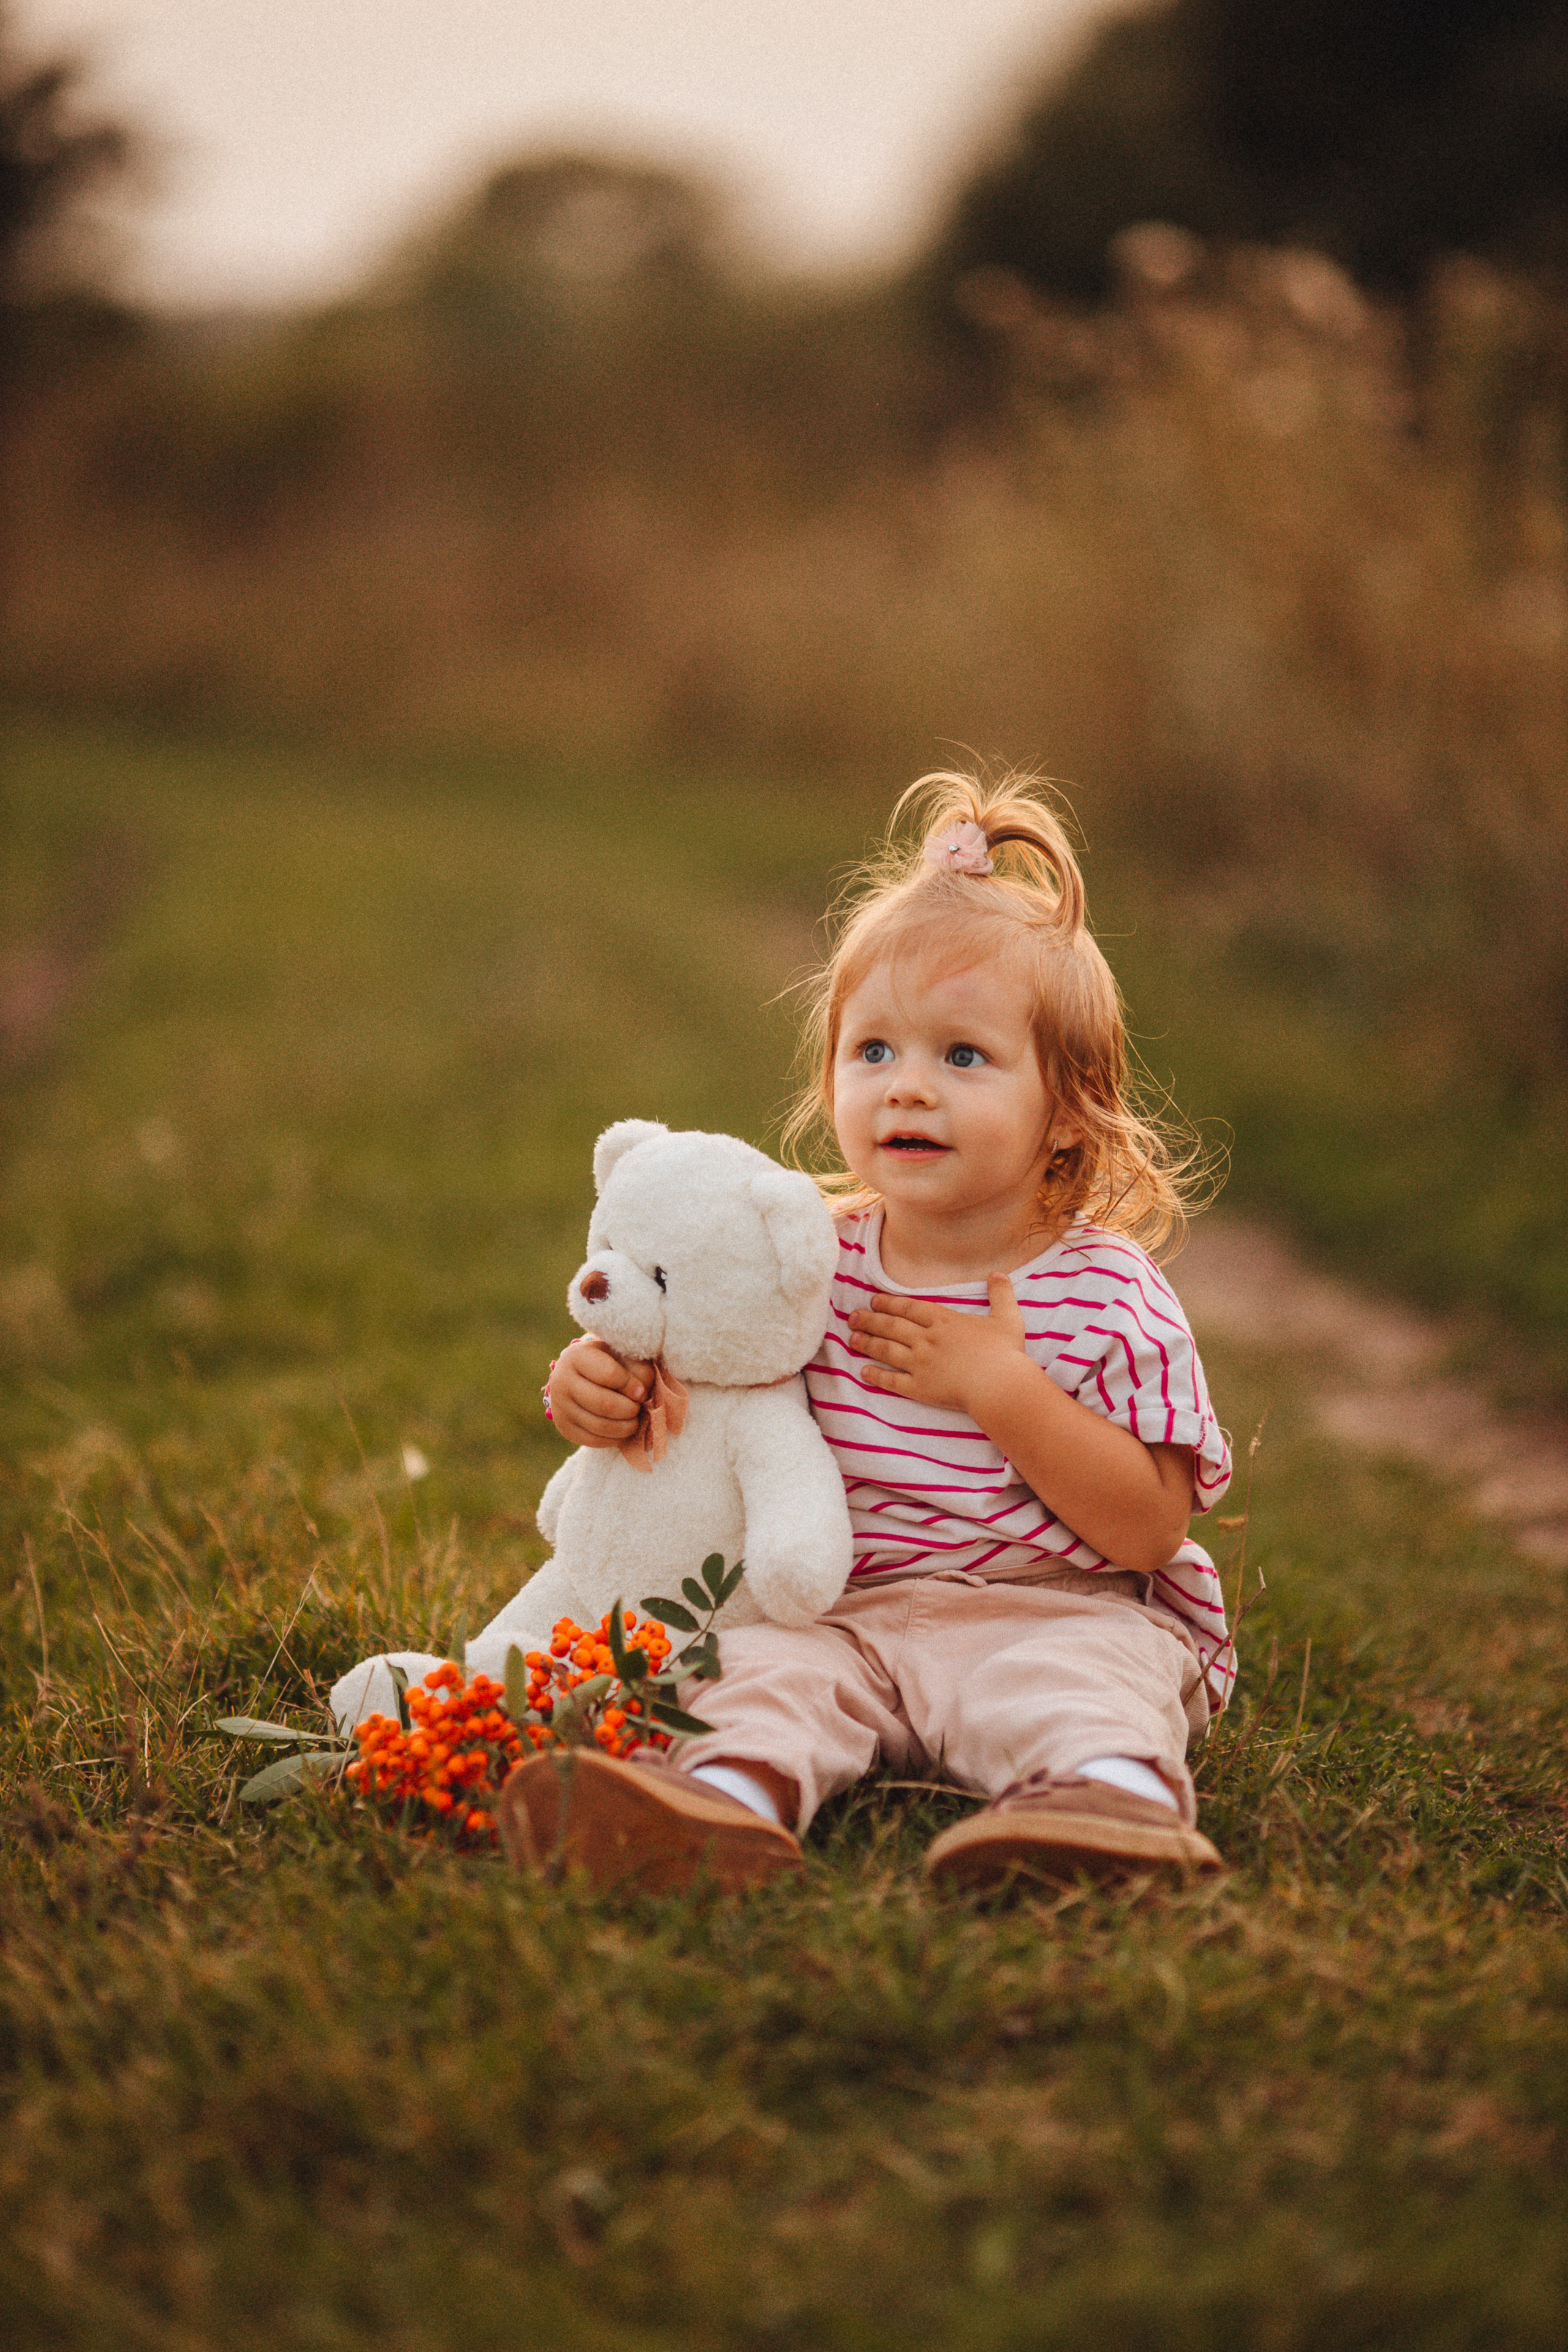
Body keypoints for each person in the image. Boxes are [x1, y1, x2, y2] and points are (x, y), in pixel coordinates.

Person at [500, 772, 1234, 1894]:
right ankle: (716, 1805)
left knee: (1083, 1682)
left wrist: (1005, 1390)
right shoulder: (808, 1259)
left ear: (1068, 1106)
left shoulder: (1102, 1289)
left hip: (1049, 1608)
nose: (908, 1091)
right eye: (875, 1052)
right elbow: (674, 1356)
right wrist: (593, 1389)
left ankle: (1104, 1807)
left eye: (964, 1057)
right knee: (752, 1674)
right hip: (837, 1615)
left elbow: (1146, 1529)